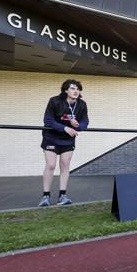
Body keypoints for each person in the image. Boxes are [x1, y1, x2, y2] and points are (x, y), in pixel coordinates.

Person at [39, 79, 89, 207]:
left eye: (77, 88)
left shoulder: (81, 104)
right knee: (50, 165)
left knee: (65, 165)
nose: (76, 91)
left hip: (68, 140)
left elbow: (85, 122)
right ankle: (46, 196)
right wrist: (65, 128)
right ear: (66, 90)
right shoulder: (55, 101)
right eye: (72, 88)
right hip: (51, 137)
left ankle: (62, 195)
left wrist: (78, 126)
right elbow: (48, 120)